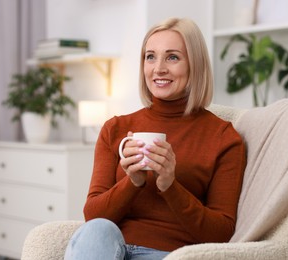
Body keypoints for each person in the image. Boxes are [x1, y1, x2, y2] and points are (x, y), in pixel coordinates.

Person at [64, 17, 246, 260]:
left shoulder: (223, 137)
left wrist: (170, 186)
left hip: (169, 255)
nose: (158, 68)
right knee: (97, 230)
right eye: (150, 56)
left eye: (172, 57)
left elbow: (221, 233)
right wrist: (133, 182)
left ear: (195, 65)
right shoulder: (115, 128)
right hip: (108, 250)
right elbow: (93, 216)